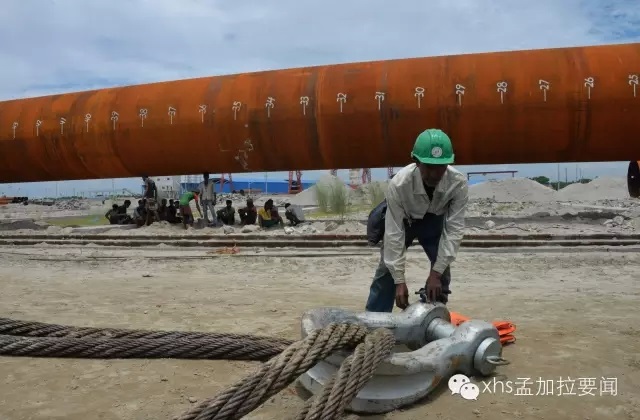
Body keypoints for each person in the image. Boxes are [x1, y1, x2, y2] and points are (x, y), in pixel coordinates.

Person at [365, 128, 468, 312]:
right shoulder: (399, 184)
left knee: (442, 272)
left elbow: (454, 230)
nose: (435, 174)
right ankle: (376, 318)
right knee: (387, 271)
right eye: (429, 167)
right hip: (405, 221)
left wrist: (436, 273)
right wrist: (399, 281)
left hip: (434, 221)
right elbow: (394, 233)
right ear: (417, 162)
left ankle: (432, 313)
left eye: (441, 167)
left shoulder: (458, 183)